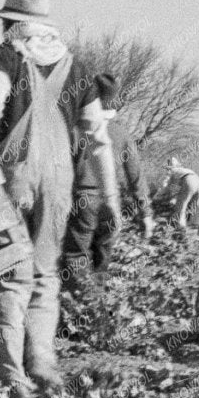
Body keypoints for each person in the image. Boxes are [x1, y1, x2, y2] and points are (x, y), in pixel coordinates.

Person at [0, 0, 116, 398]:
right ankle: (44, 366)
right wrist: (112, 197)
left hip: (12, 175)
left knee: (7, 275)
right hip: (60, 181)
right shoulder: (77, 67)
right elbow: (98, 138)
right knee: (46, 276)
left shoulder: (5, 57)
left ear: (11, 23)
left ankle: (14, 380)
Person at [62, 72, 155, 280]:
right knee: (102, 258)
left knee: (75, 257)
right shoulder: (121, 134)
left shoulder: (76, 130)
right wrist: (145, 213)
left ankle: (78, 303)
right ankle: (97, 303)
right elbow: (136, 177)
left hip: (82, 200)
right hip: (111, 201)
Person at [164, 157, 199, 237]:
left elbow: (172, 186)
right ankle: (197, 229)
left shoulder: (172, 172)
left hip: (189, 181)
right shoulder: (184, 169)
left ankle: (181, 229)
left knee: (181, 205)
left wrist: (172, 198)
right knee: (198, 206)